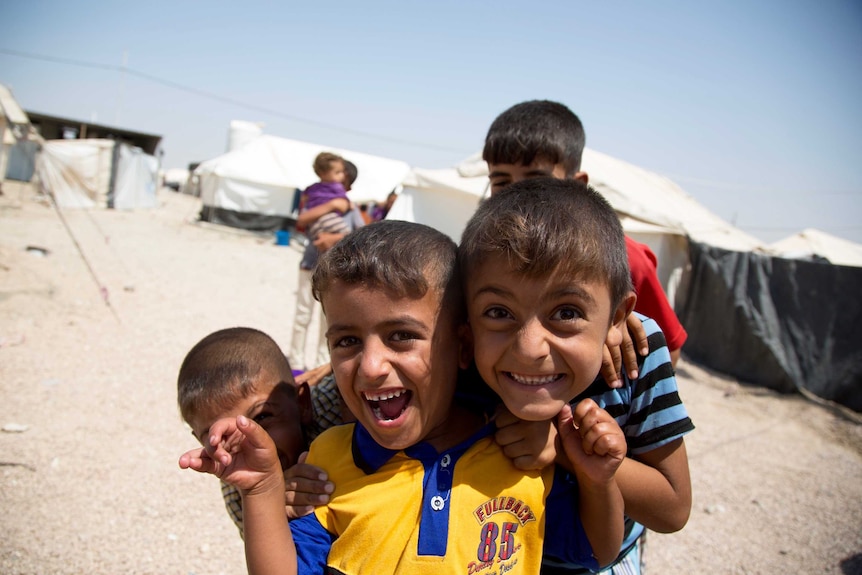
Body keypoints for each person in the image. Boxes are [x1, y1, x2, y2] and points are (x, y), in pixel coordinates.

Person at [179, 220, 627, 574]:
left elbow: (596, 550)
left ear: (464, 346)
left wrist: (596, 480)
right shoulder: (328, 463)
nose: (371, 366)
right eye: (347, 342)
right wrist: (261, 488)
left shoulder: (521, 449)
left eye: (401, 336)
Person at [461, 176, 694, 574]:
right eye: (499, 312)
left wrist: (568, 451)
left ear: (618, 317)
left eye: (566, 313)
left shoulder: (637, 353)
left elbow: (672, 508)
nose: (530, 348)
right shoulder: (462, 355)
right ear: (463, 319)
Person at [483, 99, 688, 373]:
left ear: (577, 185)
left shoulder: (627, 259)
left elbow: (669, 352)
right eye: (502, 182)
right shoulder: (485, 258)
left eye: (536, 181)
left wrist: (602, 331)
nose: (518, 197)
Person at [176, 327, 345, 538]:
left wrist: (334, 366)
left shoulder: (340, 404)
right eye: (224, 437)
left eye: (262, 418)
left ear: (302, 404)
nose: (252, 445)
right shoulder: (238, 489)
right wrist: (266, 504)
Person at [287, 159, 362, 372]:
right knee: (303, 314)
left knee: (328, 320)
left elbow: (362, 235)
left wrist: (334, 238)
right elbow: (301, 219)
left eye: (343, 177)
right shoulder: (318, 200)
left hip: (335, 271)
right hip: (310, 264)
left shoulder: (351, 207)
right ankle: (296, 363)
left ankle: (322, 366)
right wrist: (329, 206)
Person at [298, 152, 351, 244]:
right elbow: (344, 203)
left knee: (318, 237)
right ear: (323, 174)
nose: (342, 175)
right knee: (347, 233)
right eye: (337, 172)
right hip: (330, 218)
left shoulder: (312, 188)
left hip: (315, 222)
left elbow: (304, 199)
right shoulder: (336, 187)